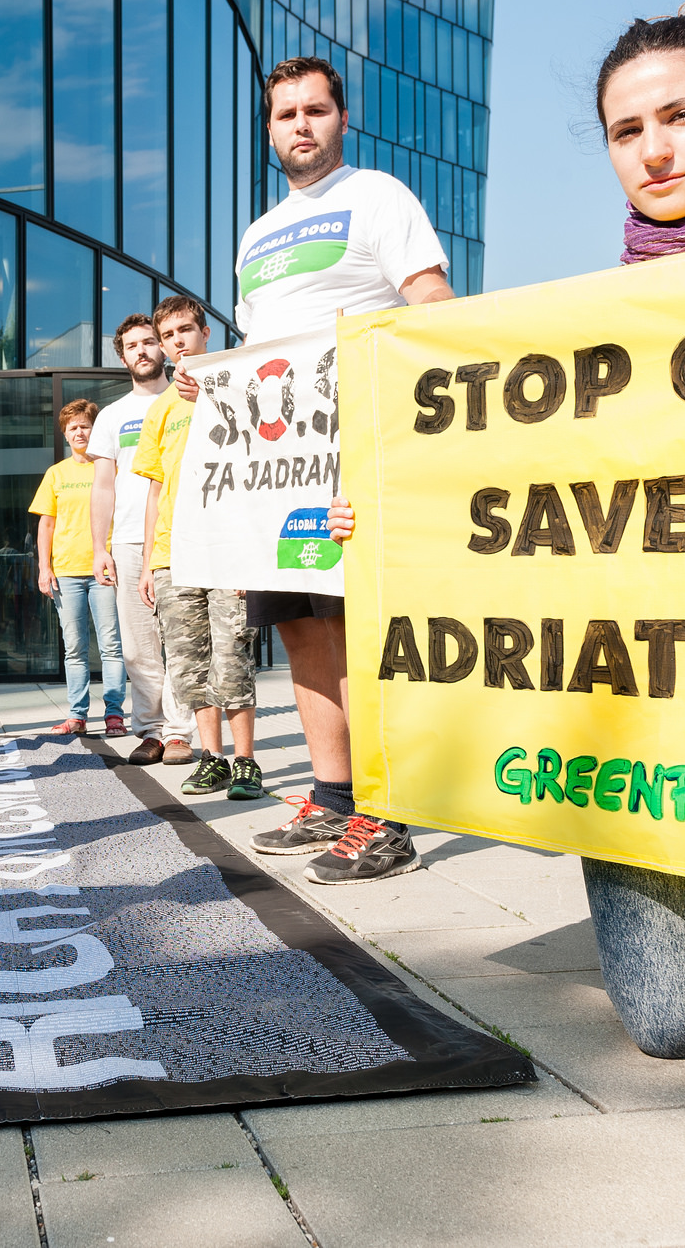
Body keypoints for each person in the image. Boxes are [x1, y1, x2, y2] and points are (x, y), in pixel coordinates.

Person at [341, 10, 685, 1082]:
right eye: (623, 128)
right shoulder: (575, 331)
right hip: (632, 698)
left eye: (680, 115)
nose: (651, 149)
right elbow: (499, 494)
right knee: (667, 1022)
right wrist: (384, 511)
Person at [224, 56, 455, 887]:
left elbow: (431, 301)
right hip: (274, 462)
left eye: (314, 109)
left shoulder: (378, 196)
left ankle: (386, 814)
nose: (299, 125)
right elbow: (258, 347)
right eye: (284, 113)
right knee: (298, 627)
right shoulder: (255, 233)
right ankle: (331, 792)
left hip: (356, 447)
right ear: (270, 128)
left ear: (341, 118)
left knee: (356, 623)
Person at [135, 296, 266, 800]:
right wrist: (149, 562)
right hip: (174, 554)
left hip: (229, 548)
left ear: (206, 332)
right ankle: (211, 760)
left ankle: (246, 762)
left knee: (232, 657)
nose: (178, 342)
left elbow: (258, 474)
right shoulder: (160, 410)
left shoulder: (236, 388)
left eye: (186, 330)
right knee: (189, 666)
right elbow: (155, 490)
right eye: (168, 336)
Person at [89, 315, 196, 765]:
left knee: (182, 640)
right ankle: (150, 729)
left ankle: (179, 733)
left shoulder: (189, 397)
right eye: (132, 345)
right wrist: (99, 547)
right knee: (136, 645)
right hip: (129, 541)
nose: (143, 350)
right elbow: (102, 486)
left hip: (184, 535)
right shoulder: (112, 416)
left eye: (150, 342)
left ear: (162, 347)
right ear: (122, 356)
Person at [31, 398, 127, 736]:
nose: (79, 431)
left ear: (94, 429)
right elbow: (46, 525)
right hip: (67, 572)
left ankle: (115, 714)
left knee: (111, 645)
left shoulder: (109, 468)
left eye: (85, 425)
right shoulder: (56, 473)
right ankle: (77, 716)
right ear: (65, 435)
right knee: (74, 648)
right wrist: (45, 568)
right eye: (72, 428)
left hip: (104, 570)